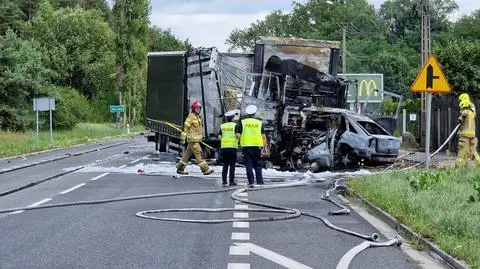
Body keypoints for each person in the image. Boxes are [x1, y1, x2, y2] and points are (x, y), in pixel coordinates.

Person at [176, 101, 214, 175]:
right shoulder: (191, 116)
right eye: (196, 108)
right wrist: (183, 139)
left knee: (187, 155)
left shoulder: (197, 117)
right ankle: (205, 170)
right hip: (193, 141)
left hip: (196, 140)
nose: (198, 109)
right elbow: (186, 127)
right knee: (200, 154)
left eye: (199, 108)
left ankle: (180, 169)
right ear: (193, 108)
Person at [236, 105, 269, 187]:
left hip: (247, 146)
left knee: (248, 165)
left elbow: (237, 134)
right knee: (258, 164)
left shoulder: (242, 122)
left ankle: (251, 181)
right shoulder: (259, 122)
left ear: (247, 113)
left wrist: (242, 139)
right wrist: (265, 147)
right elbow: (263, 136)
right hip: (257, 146)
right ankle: (260, 181)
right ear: (254, 113)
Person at [455, 96, 480, 168]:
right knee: (474, 151)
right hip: (472, 135)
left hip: (465, 136)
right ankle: (478, 165)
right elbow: (472, 111)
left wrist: (459, 119)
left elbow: (463, 116)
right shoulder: (472, 113)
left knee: (462, 152)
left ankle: (457, 168)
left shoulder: (465, 112)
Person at [219, 111, 239, 187]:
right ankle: (231, 181)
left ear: (226, 118)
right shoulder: (235, 126)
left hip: (224, 147)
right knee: (232, 165)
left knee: (225, 165)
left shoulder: (222, 126)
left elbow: (219, 137)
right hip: (233, 148)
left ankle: (224, 181)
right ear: (233, 118)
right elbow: (237, 135)